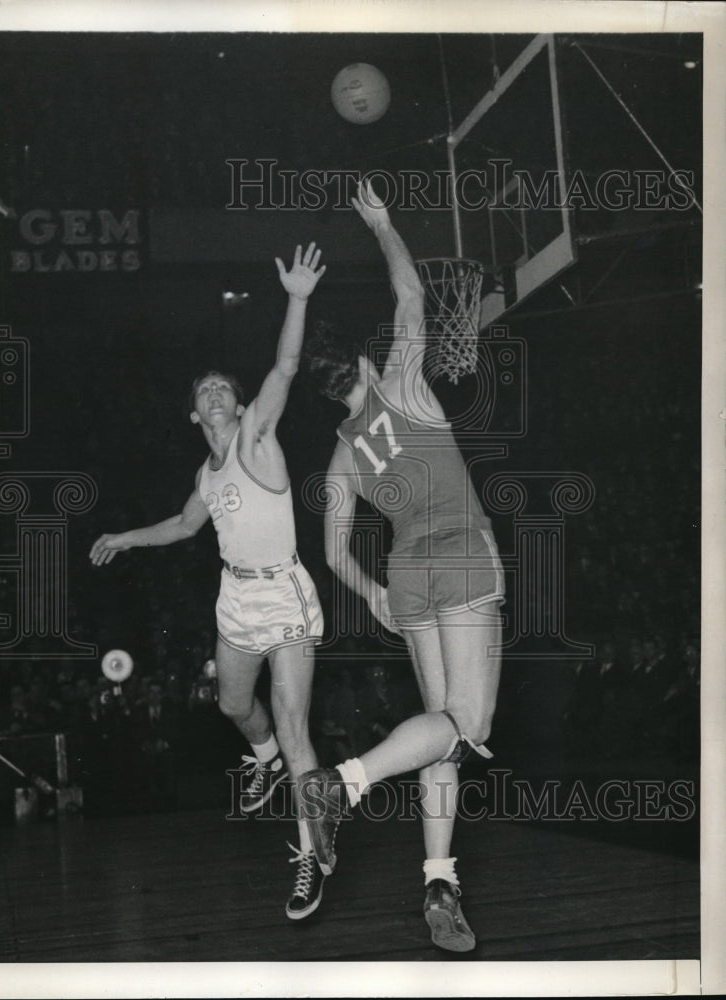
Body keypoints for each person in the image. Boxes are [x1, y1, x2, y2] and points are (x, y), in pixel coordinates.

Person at [90, 243, 328, 920]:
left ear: (237, 402)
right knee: (233, 707)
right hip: (236, 596)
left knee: (293, 726)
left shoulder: (257, 435)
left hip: (282, 592)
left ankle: (309, 854)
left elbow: (284, 366)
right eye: (205, 391)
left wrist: (299, 297)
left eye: (224, 386)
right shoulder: (206, 475)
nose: (217, 392)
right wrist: (123, 537)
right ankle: (262, 758)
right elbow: (183, 525)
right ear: (196, 414)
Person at [300, 181, 504, 952]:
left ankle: (439, 883)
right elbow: (411, 289)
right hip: (458, 555)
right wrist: (382, 224)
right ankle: (343, 784)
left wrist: (374, 592)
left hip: (408, 577)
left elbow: (329, 551)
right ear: (359, 361)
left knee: (441, 735)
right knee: (472, 725)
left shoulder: (342, 454)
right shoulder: (404, 385)